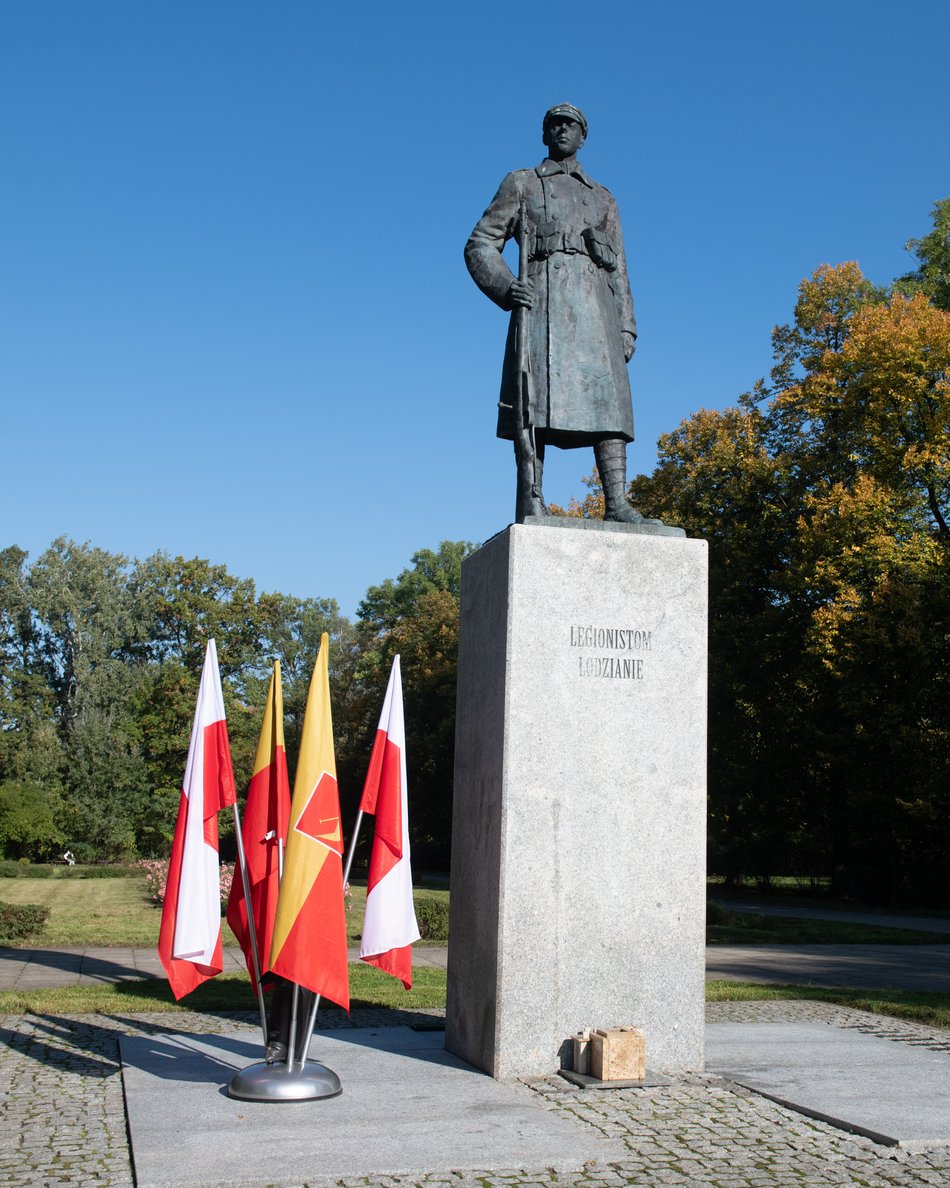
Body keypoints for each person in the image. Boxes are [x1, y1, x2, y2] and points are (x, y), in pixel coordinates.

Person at [465, 103, 659, 525]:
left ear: (583, 136)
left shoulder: (603, 197)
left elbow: (620, 268)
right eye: (554, 124)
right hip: (543, 306)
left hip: (596, 310)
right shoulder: (521, 183)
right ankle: (532, 497)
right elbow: (480, 243)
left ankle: (617, 501)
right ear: (544, 134)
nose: (561, 130)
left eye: (570, 125)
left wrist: (627, 326)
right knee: (535, 405)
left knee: (609, 405)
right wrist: (504, 286)